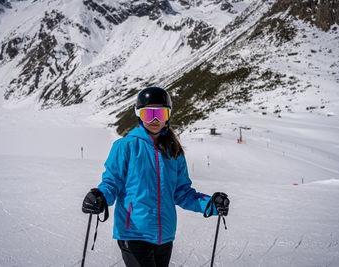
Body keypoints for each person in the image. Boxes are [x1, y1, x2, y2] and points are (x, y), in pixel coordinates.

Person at [82, 87, 230, 267]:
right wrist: (100, 197)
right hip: (134, 232)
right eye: (148, 113)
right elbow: (112, 182)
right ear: (139, 115)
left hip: (165, 236)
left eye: (160, 113)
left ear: (167, 116)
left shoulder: (174, 152)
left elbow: (182, 193)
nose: (154, 119)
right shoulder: (126, 146)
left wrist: (211, 204)